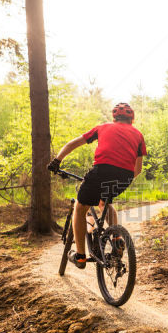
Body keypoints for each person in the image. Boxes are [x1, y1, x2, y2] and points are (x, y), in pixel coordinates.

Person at [48, 103, 146, 268]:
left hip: (101, 170)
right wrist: (122, 177)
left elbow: (73, 143)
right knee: (104, 202)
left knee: (80, 208)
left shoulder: (103, 127)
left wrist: (57, 160)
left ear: (114, 117)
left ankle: (80, 256)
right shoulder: (138, 134)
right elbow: (138, 170)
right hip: (125, 176)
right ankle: (116, 238)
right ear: (132, 119)